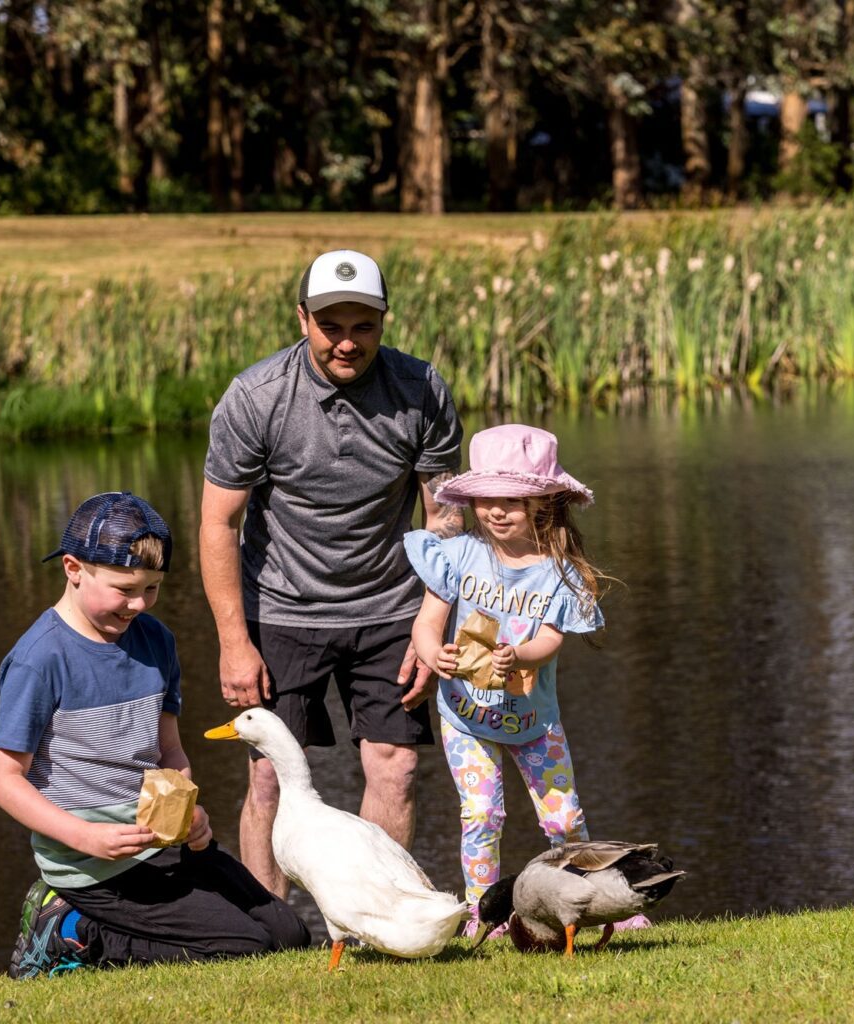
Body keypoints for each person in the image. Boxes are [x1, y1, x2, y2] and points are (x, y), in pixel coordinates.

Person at [200, 248, 463, 898]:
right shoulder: (256, 397)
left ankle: (378, 917)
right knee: (270, 776)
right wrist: (235, 643)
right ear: (303, 318)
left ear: (383, 320)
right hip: (283, 613)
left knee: (396, 767)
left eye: (363, 325)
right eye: (331, 325)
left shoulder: (421, 390)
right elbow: (218, 526)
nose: (347, 342)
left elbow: (447, 517)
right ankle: (267, 930)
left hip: (390, 611)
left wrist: (432, 622)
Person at [0, 492, 310, 980]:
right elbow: (3, 779)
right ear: (73, 568)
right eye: (124, 589)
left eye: (152, 589)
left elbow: (169, 750)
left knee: (290, 936)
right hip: (92, 867)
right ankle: (70, 929)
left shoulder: (156, 640)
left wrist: (189, 812)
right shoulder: (39, 659)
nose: (138, 604)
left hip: (164, 846)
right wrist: (86, 836)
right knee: (247, 946)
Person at [405, 423, 648, 938]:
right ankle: (480, 916)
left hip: (536, 722)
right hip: (465, 719)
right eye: (486, 498)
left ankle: (604, 904)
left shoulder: (559, 572)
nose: (496, 511)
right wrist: (433, 654)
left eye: (512, 499)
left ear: (543, 503)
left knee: (563, 822)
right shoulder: (457, 554)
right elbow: (427, 622)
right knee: (482, 816)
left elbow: (549, 642)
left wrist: (518, 657)